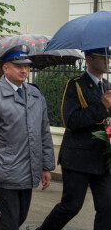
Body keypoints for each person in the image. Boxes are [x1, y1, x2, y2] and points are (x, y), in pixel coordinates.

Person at [0, 45, 55, 230]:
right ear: (5, 68)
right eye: (18, 66)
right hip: (5, 170)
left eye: (26, 66)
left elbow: (44, 132)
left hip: (28, 169)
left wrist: (47, 166)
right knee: (10, 222)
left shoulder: (35, 94)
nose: (24, 70)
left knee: (19, 218)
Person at [37, 48, 111, 230]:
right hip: (78, 158)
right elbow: (70, 120)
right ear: (89, 59)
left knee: (108, 206)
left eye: (109, 57)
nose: (107, 61)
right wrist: (101, 106)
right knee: (71, 206)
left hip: (102, 159)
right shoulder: (75, 85)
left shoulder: (107, 86)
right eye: (103, 57)